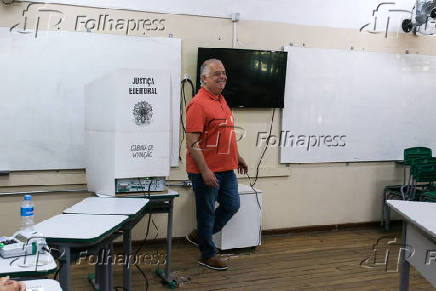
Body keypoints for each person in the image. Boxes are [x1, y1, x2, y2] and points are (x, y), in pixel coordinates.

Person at [185, 58, 248, 270]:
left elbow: (226, 133)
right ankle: (207, 254)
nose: (222, 76)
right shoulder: (197, 104)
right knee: (206, 212)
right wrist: (204, 171)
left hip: (226, 168)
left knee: (232, 205)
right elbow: (192, 143)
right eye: (216, 74)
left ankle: (201, 235)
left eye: (223, 72)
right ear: (204, 79)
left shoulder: (221, 100)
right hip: (206, 170)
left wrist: (237, 156)